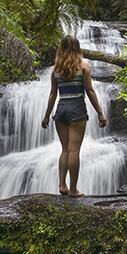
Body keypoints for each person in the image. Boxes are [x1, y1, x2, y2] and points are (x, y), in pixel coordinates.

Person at [42, 36, 107, 197]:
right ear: (77, 49)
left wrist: (46, 116)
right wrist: (100, 113)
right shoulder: (83, 66)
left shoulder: (55, 69)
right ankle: (73, 190)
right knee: (74, 151)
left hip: (61, 109)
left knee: (64, 150)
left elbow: (52, 94)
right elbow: (90, 91)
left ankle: (62, 185)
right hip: (77, 108)